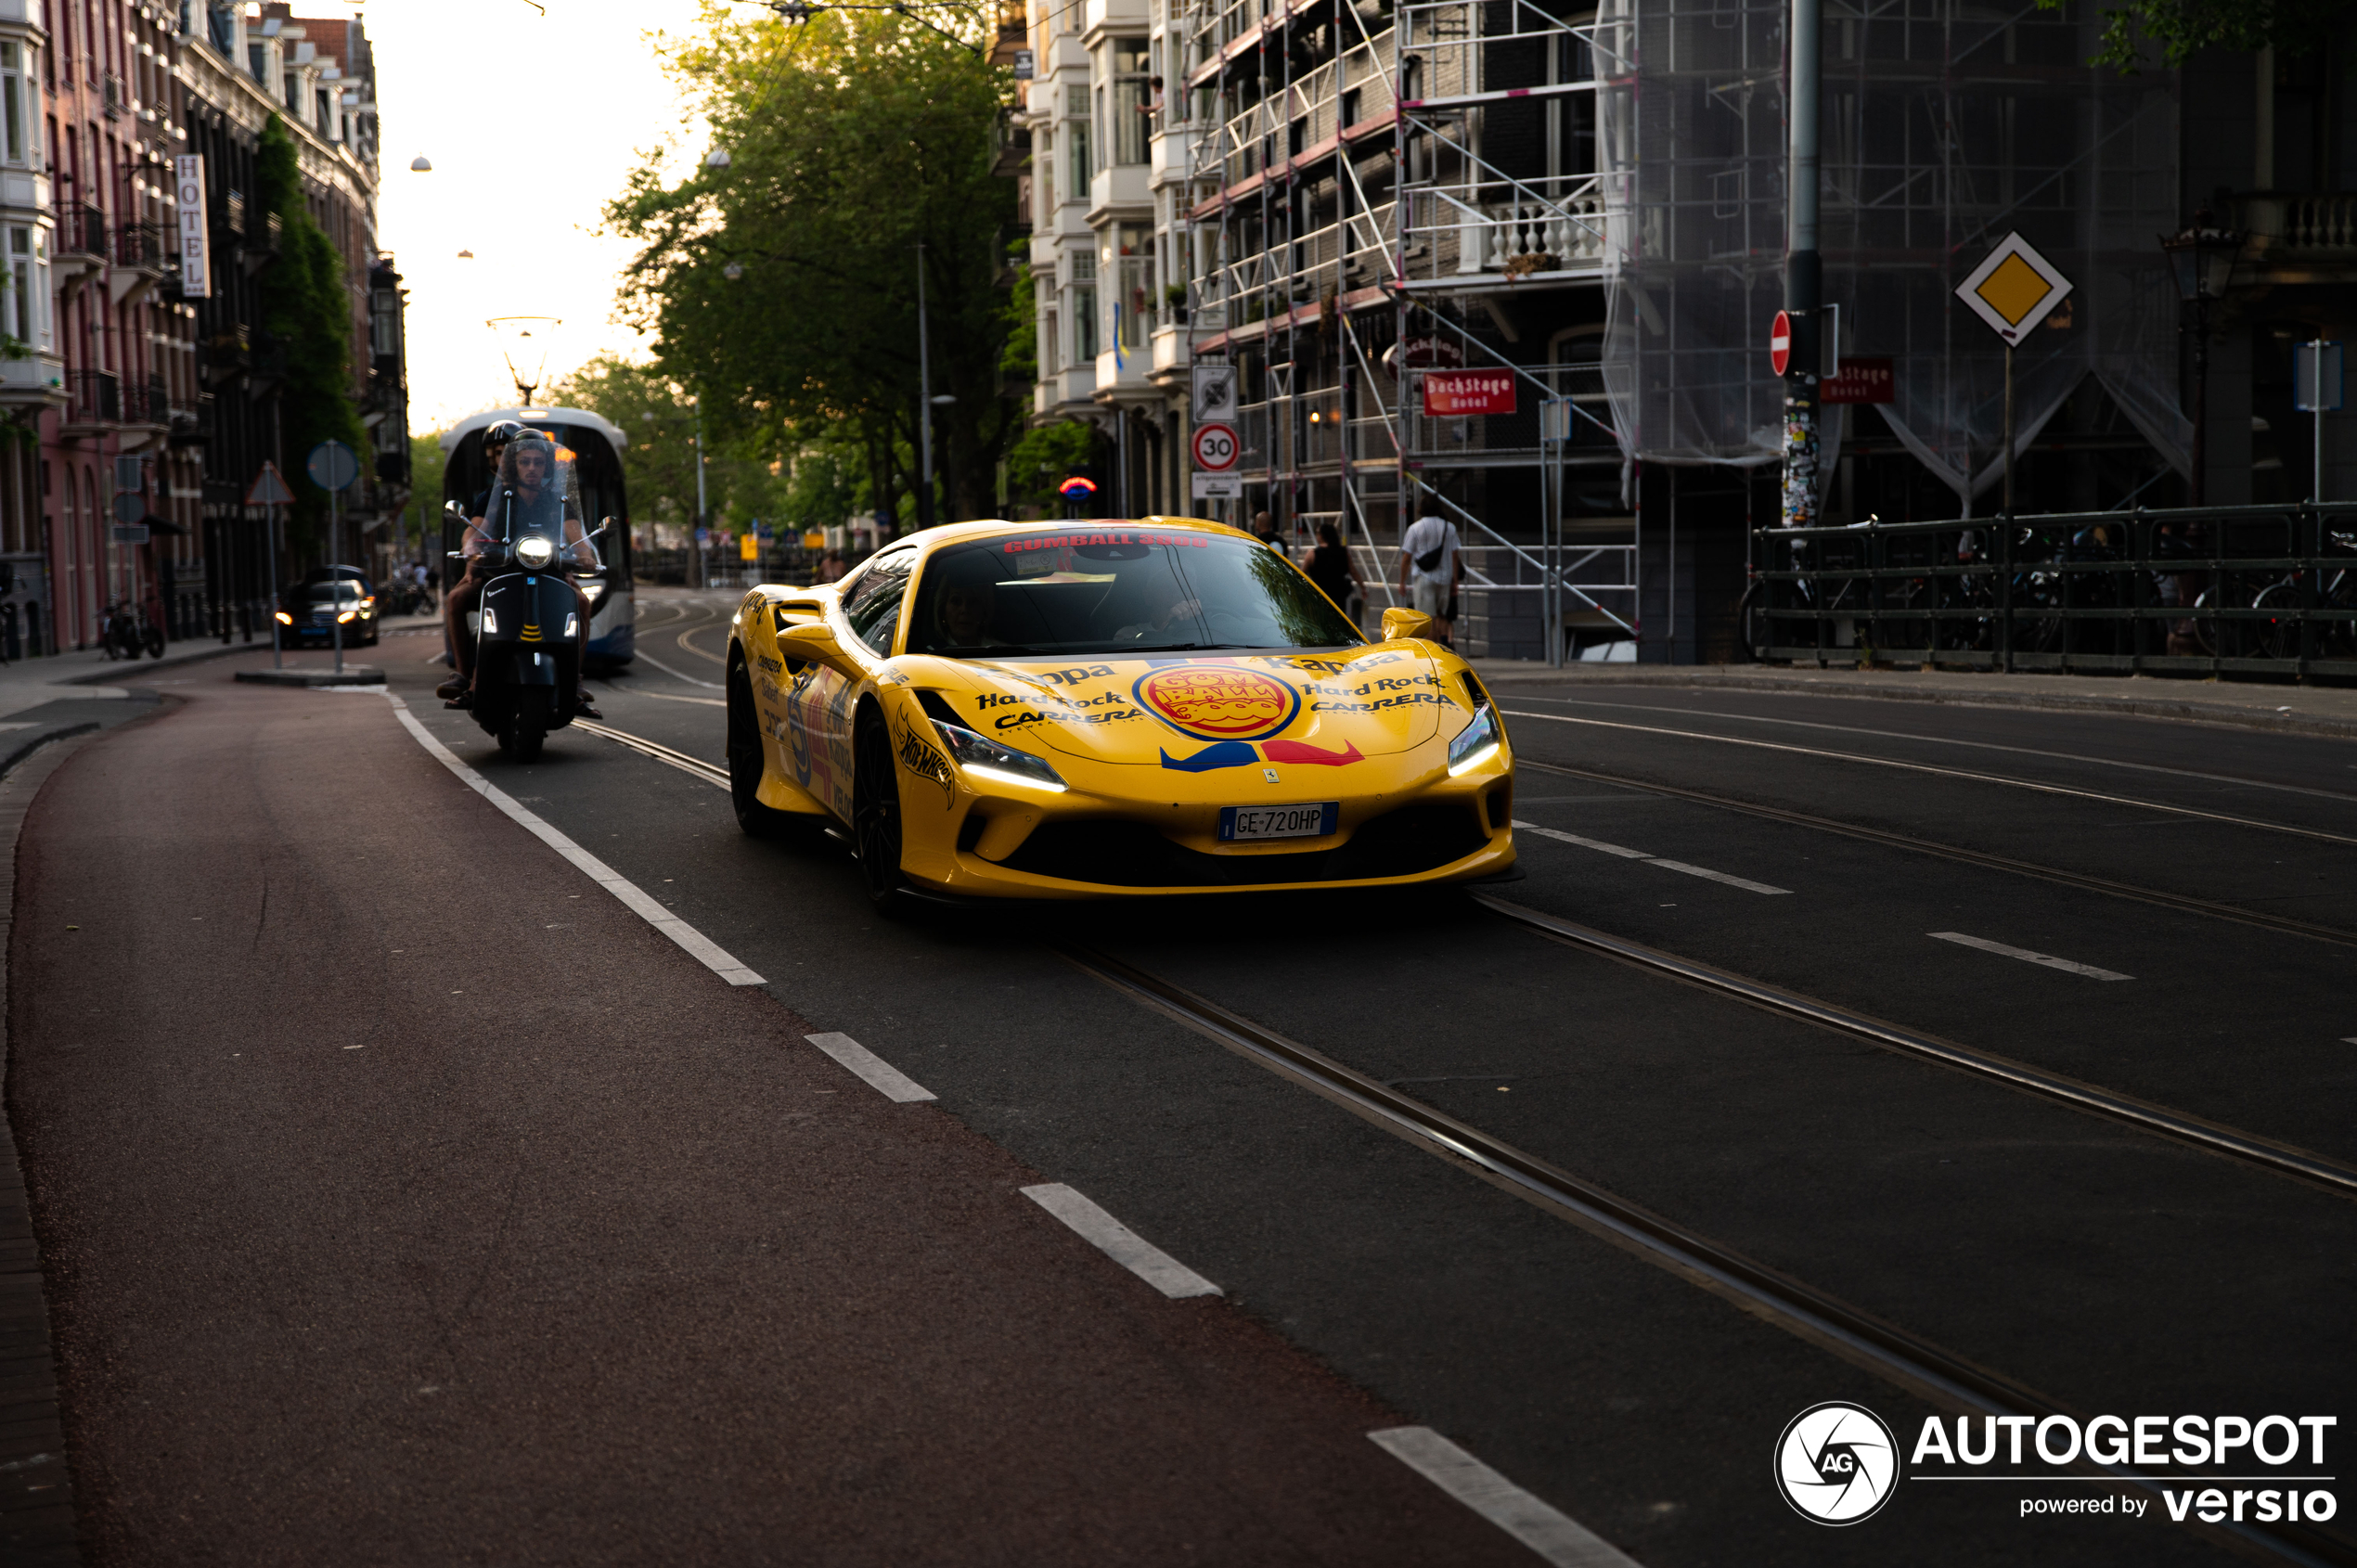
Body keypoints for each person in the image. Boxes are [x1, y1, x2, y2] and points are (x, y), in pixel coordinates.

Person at [438, 420, 522, 700]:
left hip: (543, 570)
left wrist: (580, 554)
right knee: (456, 599)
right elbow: (475, 529)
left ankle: (576, 682)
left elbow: (571, 532)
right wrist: (470, 551)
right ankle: (464, 674)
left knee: (580, 600)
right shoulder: (491, 497)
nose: (500, 460)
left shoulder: (553, 497)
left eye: (505, 452)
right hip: (498, 573)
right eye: (495, 455)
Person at [1397, 511, 1462, 646]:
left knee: (1427, 618)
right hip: (1445, 578)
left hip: (1424, 578)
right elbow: (1455, 556)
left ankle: (1432, 648)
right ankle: (1444, 645)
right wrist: (1455, 581)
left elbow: (1407, 557)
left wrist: (1402, 581)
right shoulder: (1450, 528)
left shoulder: (1415, 528)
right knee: (1442, 615)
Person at [1304, 521, 1364, 624]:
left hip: (1319, 598)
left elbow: (1301, 574)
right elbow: (1353, 571)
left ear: (1321, 536)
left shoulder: (1312, 554)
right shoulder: (1342, 552)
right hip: (1338, 598)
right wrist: (1362, 586)